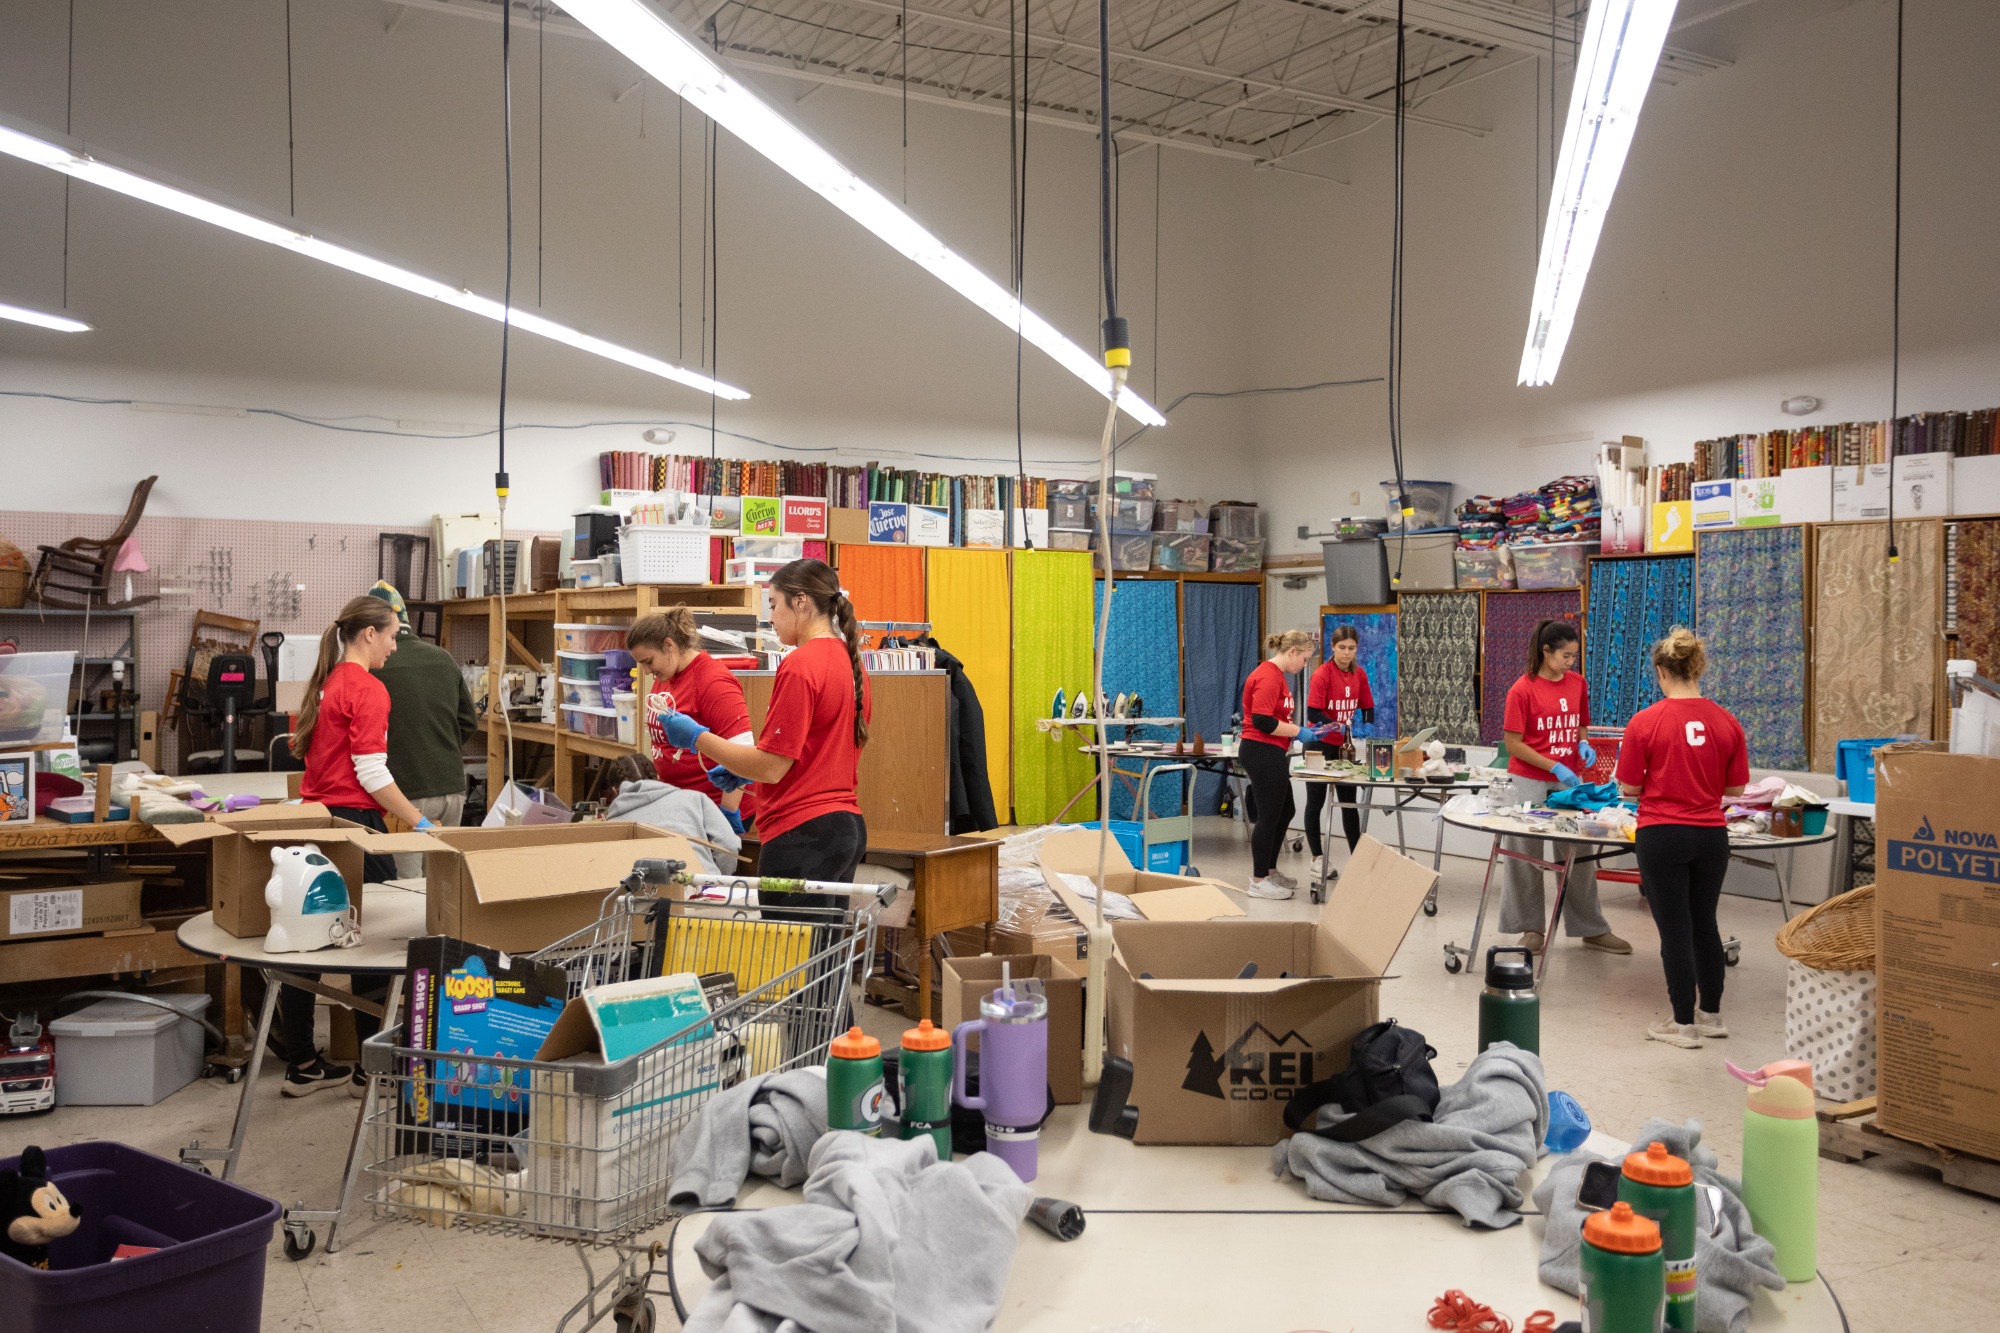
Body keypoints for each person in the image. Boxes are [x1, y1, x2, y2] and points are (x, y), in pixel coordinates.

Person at [280, 595, 438, 1096]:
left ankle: (302, 1062)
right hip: (354, 823)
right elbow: (371, 772)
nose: (394, 646)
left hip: (317, 821)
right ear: (368, 634)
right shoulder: (367, 688)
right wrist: (421, 821)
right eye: (392, 635)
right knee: (377, 939)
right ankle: (375, 1070)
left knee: (305, 939)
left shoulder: (329, 683)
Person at [657, 559, 871, 903]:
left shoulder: (801, 664)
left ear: (800, 601)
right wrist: (743, 772)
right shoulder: (848, 659)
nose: (770, 617)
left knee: (789, 952)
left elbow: (772, 767)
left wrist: (697, 737)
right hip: (845, 828)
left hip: (803, 833)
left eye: (773, 604)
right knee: (826, 954)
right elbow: (813, 755)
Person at [1615, 628, 1748, 1049]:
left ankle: (1681, 1024)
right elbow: (1737, 792)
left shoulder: (1645, 722)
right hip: (1711, 836)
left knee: (1674, 931)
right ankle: (1710, 1015)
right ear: (1696, 668)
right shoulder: (1726, 721)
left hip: (1663, 833)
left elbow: (1629, 789)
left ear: (1661, 671)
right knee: (1704, 924)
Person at [1498, 619, 1630, 956]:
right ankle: (1530, 930)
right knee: (1525, 855)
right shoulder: (1522, 689)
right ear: (1546, 651)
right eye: (1565, 656)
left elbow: (1581, 723)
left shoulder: (1577, 683)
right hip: (1529, 779)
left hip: (1568, 779)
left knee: (1578, 849)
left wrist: (1582, 743)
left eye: (1574, 656)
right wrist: (1552, 764)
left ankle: (1590, 927)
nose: (1571, 662)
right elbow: (1513, 744)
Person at [364, 582, 477, 879]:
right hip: (452, 787)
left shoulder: (371, 664)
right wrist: (438, 746)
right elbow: (468, 722)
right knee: (444, 881)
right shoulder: (443, 657)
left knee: (408, 886)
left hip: (404, 791)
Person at [625, 607, 752, 834]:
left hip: (713, 810)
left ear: (669, 646)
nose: (646, 671)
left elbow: (743, 754)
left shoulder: (713, 681)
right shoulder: (667, 673)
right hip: (682, 808)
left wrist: (727, 814)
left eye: (648, 661)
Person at [1238, 628, 1333, 901]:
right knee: (1269, 816)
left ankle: (1270, 870)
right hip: (1260, 750)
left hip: (1272, 751)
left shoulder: (1278, 676)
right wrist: (1297, 731)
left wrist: (1299, 731)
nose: (1304, 665)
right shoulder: (1268, 676)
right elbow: (1262, 721)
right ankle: (1257, 881)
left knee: (1285, 810)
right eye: (1304, 659)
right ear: (1292, 652)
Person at [1303, 625, 1375, 882]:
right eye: (1341, 648)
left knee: (1348, 803)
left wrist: (1366, 724)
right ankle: (1317, 858)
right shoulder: (1322, 674)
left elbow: (1368, 708)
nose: (1346, 653)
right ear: (1332, 647)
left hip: (1344, 746)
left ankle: (1356, 858)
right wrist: (1336, 725)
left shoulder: (1360, 675)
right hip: (1319, 744)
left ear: (1357, 649)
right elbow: (1312, 713)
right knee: (1316, 801)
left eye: (1351, 648)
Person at [602, 751, 743, 874]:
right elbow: (729, 846)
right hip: (704, 889)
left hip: (646, 898)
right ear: (657, 777)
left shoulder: (612, 825)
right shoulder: (694, 799)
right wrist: (715, 878)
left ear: (615, 791)